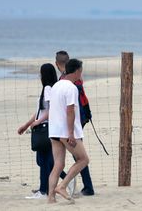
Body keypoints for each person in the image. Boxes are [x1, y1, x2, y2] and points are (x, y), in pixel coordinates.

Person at [48, 59, 89, 203]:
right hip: (66, 132)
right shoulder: (71, 87)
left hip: (54, 130)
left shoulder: (56, 86)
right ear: (77, 71)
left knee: (58, 165)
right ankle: (62, 186)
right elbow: (70, 111)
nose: (81, 74)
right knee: (83, 159)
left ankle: (51, 198)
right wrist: (71, 133)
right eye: (81, 71)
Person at [55, 51, 94, 196]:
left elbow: (69, 108)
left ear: (56, 64)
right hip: (80, 118)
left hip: (73, 121)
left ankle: (79, 185)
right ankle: (81, 185)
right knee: (77, 154)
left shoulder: (66, 81)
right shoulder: (76, 79)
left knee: (78, 155)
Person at [17, 63, 57, 199]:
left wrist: (38, 122)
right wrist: (27, 124)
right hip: (44, 127)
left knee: (44, 160)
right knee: (44, 160)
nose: (39, 75)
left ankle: (43, 190)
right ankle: (50, 185)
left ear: (44, 75)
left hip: (45, 129)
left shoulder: (47, 88)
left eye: (41, 73)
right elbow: (40, 111)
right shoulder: (49, 88)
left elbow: (52, 110)